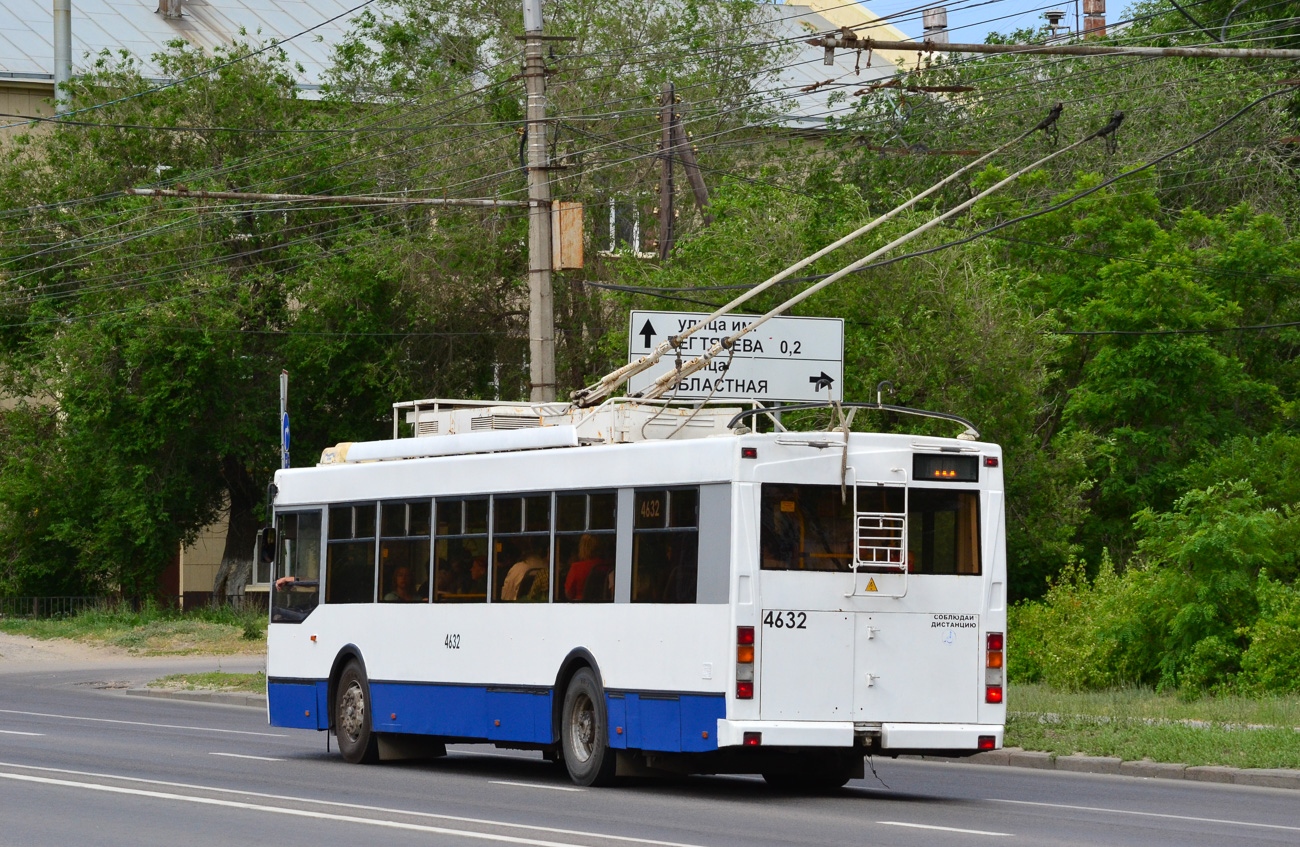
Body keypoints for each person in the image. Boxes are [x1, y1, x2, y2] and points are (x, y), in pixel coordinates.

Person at [565, 534, 612, 601]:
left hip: (580, 605)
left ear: (582, 548)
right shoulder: (607, 566)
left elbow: (568, 594)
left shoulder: (576, 567)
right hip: (602, 603)